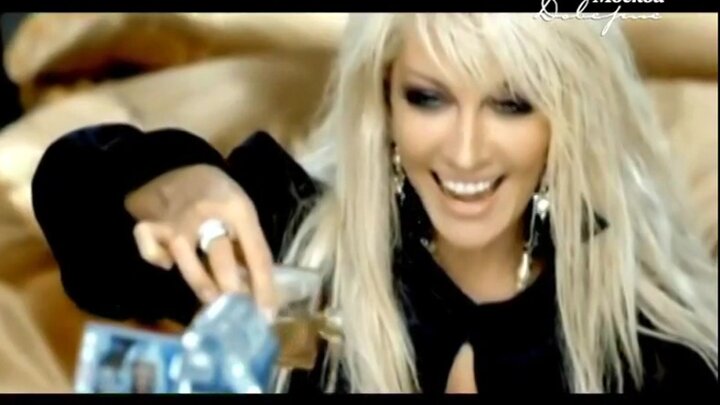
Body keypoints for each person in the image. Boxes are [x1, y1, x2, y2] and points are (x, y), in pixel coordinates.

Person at [32, 14, 717, 393]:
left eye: (511, 103)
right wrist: (170, 182)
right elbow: (71, 199)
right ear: (384, 102)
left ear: (564, 121)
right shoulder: (287, 247)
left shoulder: (650, 353)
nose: (466, 152)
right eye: (429, 98)